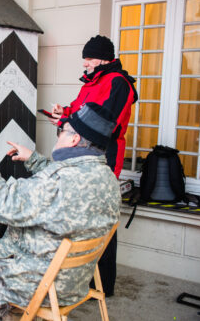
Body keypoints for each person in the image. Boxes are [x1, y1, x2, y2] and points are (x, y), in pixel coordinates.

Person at [0, 103, 121, 320]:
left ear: (74, 139)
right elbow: (65, 187)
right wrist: (34, 160)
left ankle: (6, 309)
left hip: (39, 282)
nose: (59, 137)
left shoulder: (56, 183)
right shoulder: (108, 179)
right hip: (76, 280)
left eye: (61, 131)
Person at [49, 35, 138, 296]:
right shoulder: (93, 80)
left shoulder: (119, 83)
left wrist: (68, 119)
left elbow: (103, 123)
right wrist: (63, 114)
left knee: (101, 218)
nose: (85, 63)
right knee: (82, 215)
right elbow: (81, 111)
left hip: (104, 156)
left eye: (89, 58)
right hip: (80, 152)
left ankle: (103, 284)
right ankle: (81, 277)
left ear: (103, 58)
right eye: (85, 59)